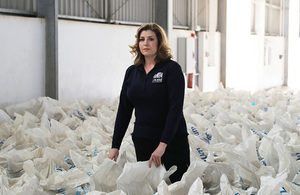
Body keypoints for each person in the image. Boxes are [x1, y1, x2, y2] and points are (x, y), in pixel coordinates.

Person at [108, 23, 190, 183]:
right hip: (143, 141)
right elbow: (124, 111)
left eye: (151, 39)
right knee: (149, 188)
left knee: (178, 187)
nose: (145, 43)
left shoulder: (171, 69)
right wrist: (115, 146)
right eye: (142, 39)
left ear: (159, 43)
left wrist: (162, 145)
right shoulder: (132, 72)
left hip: (172, 142)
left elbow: (175, 110)